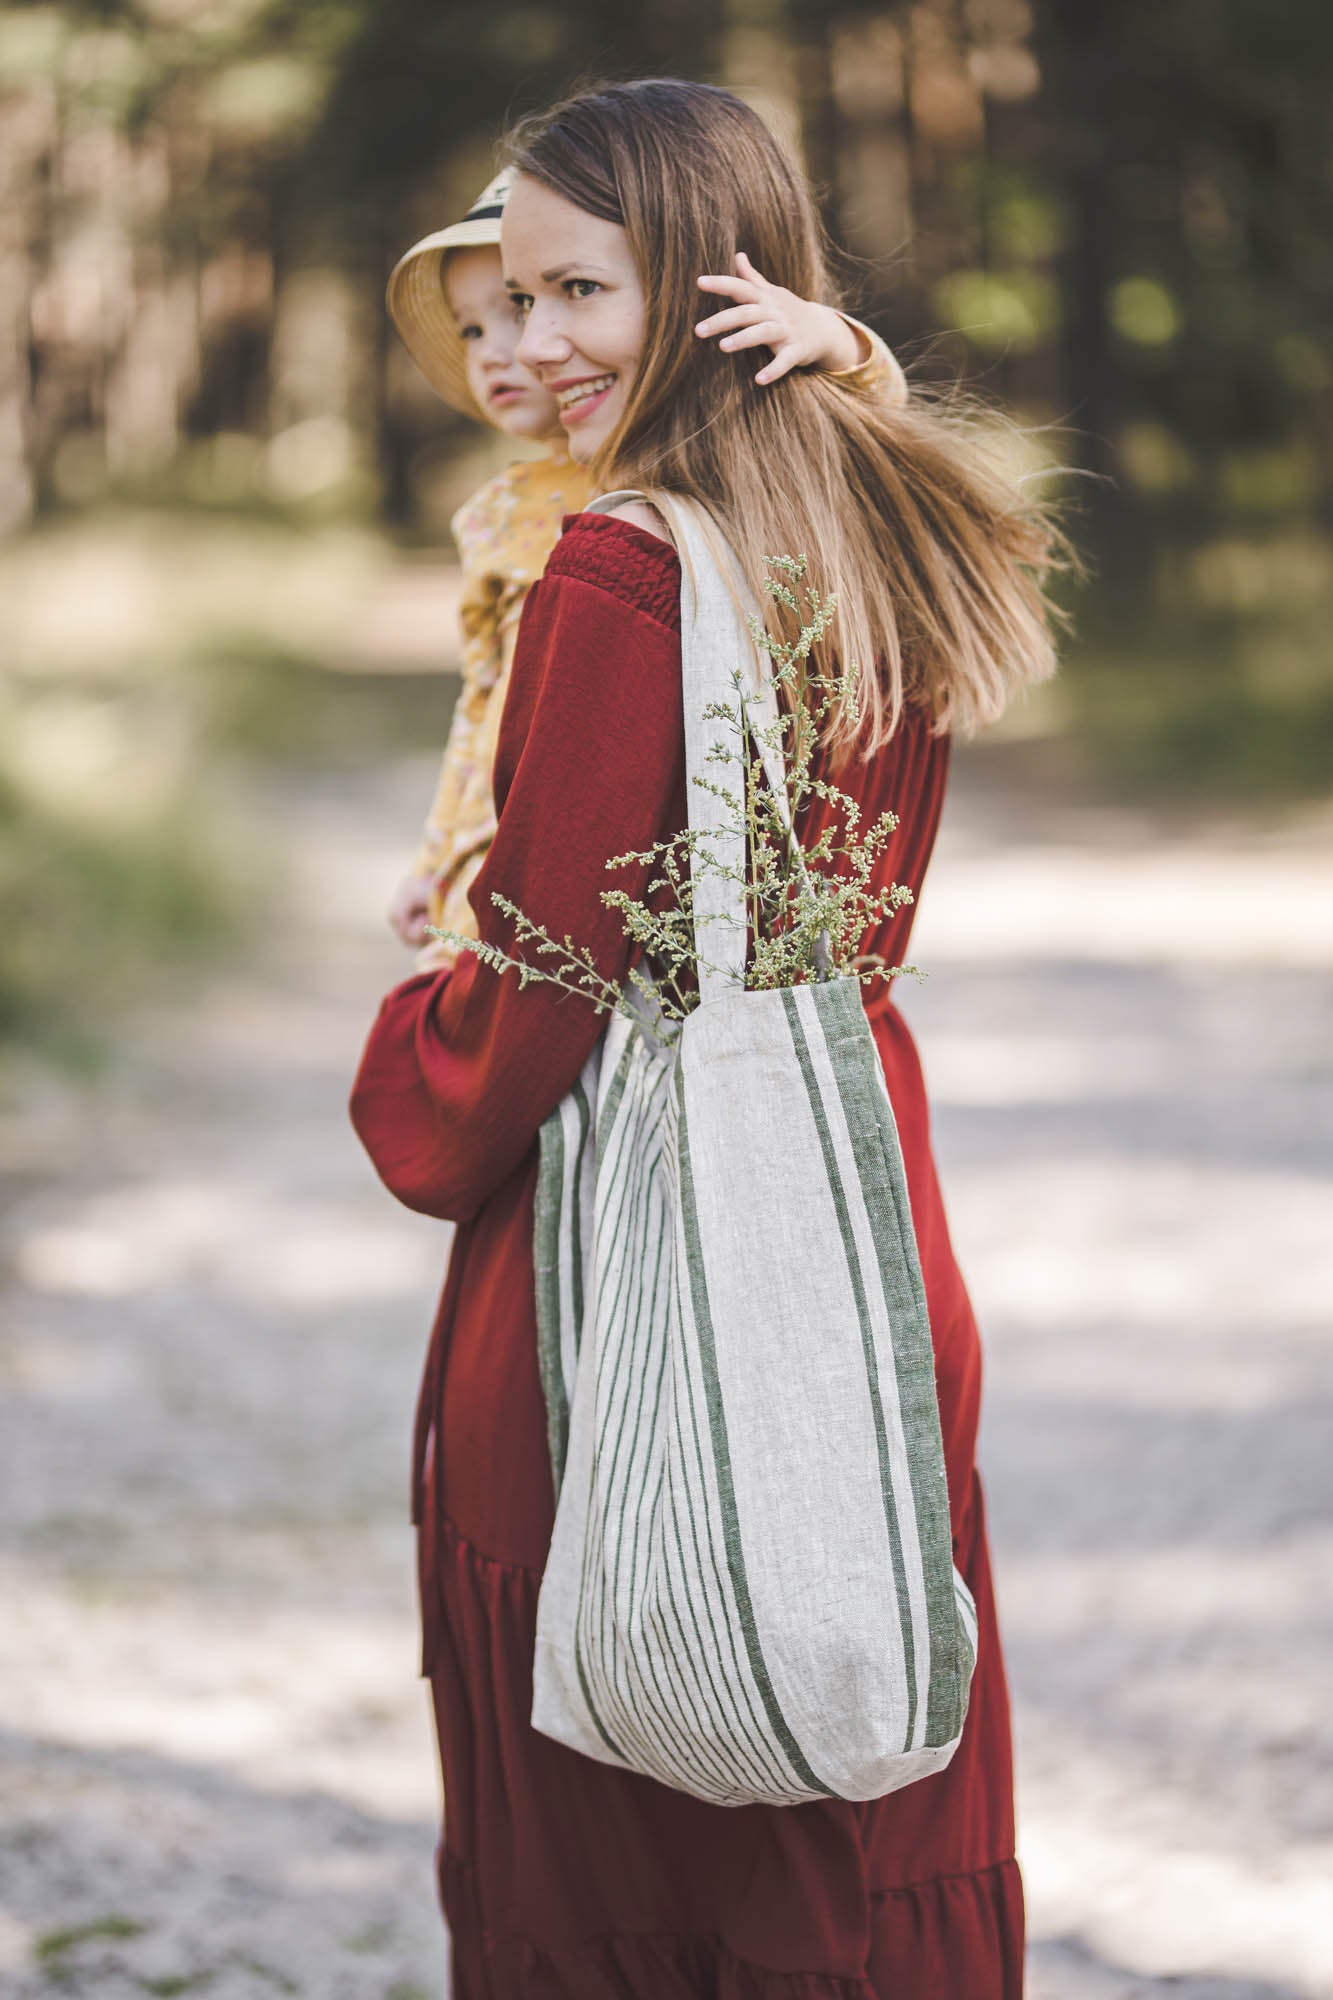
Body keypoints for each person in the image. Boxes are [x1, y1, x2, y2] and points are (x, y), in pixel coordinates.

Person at [352, 78, 1060, 1999]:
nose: (540, 343)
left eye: (583, 289)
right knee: (845, 1719)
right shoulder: (885, 521)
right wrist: (862, 369)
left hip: (624, 1221)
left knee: (612, 1787)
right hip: (849, 1210)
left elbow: (544, 991)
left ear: (710, 281)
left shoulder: (624, 568)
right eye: (514, 296)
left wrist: (414, 1042)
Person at [383, 174, 906, 970]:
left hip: (620, 860)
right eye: (470, 331)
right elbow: (480, 696)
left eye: (522, 306)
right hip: (497, 832)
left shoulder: (652, 465)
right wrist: (433, 855)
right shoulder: (495, 516)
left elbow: (867, 415)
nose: (507, 349)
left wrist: (830, 335)